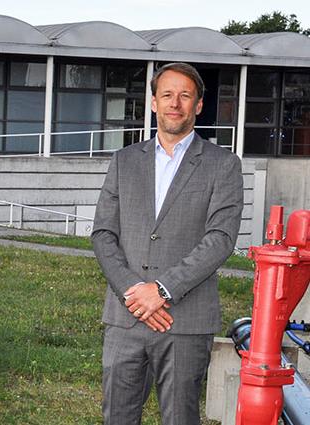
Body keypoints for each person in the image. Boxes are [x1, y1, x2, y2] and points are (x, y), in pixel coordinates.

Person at [92, 62, 243, 424]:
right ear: (154, 103)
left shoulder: (223, 165)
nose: (176, 103)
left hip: (185, 320)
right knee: (118, 417)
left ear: (199, 105)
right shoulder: (124, 161)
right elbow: (103, 234)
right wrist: (133, 291)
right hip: (125, 318)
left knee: (180, 417)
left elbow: (220, 239)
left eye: (185, 96)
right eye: (167, 95)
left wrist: (161, 290)